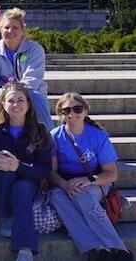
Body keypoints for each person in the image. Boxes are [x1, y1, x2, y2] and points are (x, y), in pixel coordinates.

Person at [48, 93, 133, 261]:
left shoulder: (98, 136)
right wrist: (65, 185)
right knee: (56, 196)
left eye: (77, 108)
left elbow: (111, 173)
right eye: (66, 110)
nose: (72, 113)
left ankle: (117, 247)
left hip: (96, 181)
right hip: (65, 183)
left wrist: (88, 181)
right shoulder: (55, 136)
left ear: (85, 111)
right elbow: (51, 172)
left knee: (82, 193)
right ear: (61, 114)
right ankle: (97, 248)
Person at [0, 82, 53, 261]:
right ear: (3, 105)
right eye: (11, 100)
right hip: (0, 181)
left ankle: (25, 249)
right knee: (3, 170)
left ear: (29, 104)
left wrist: (19, 166)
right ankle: (5, 216)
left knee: (21, 189)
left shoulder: (40, 131)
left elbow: (44, 169)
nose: (16, 104)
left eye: (20, 100)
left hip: (28, 181)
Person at [0, 8, 54, 131]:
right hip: (0, 94)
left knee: (35, 97)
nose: (10, 31)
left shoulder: (35, 49)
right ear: (0, 29)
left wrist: (13, 92)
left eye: (15, 28)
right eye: (7, 27)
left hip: (29, 92)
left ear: (22, 31)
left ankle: (50, 138)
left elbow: (32, 79)